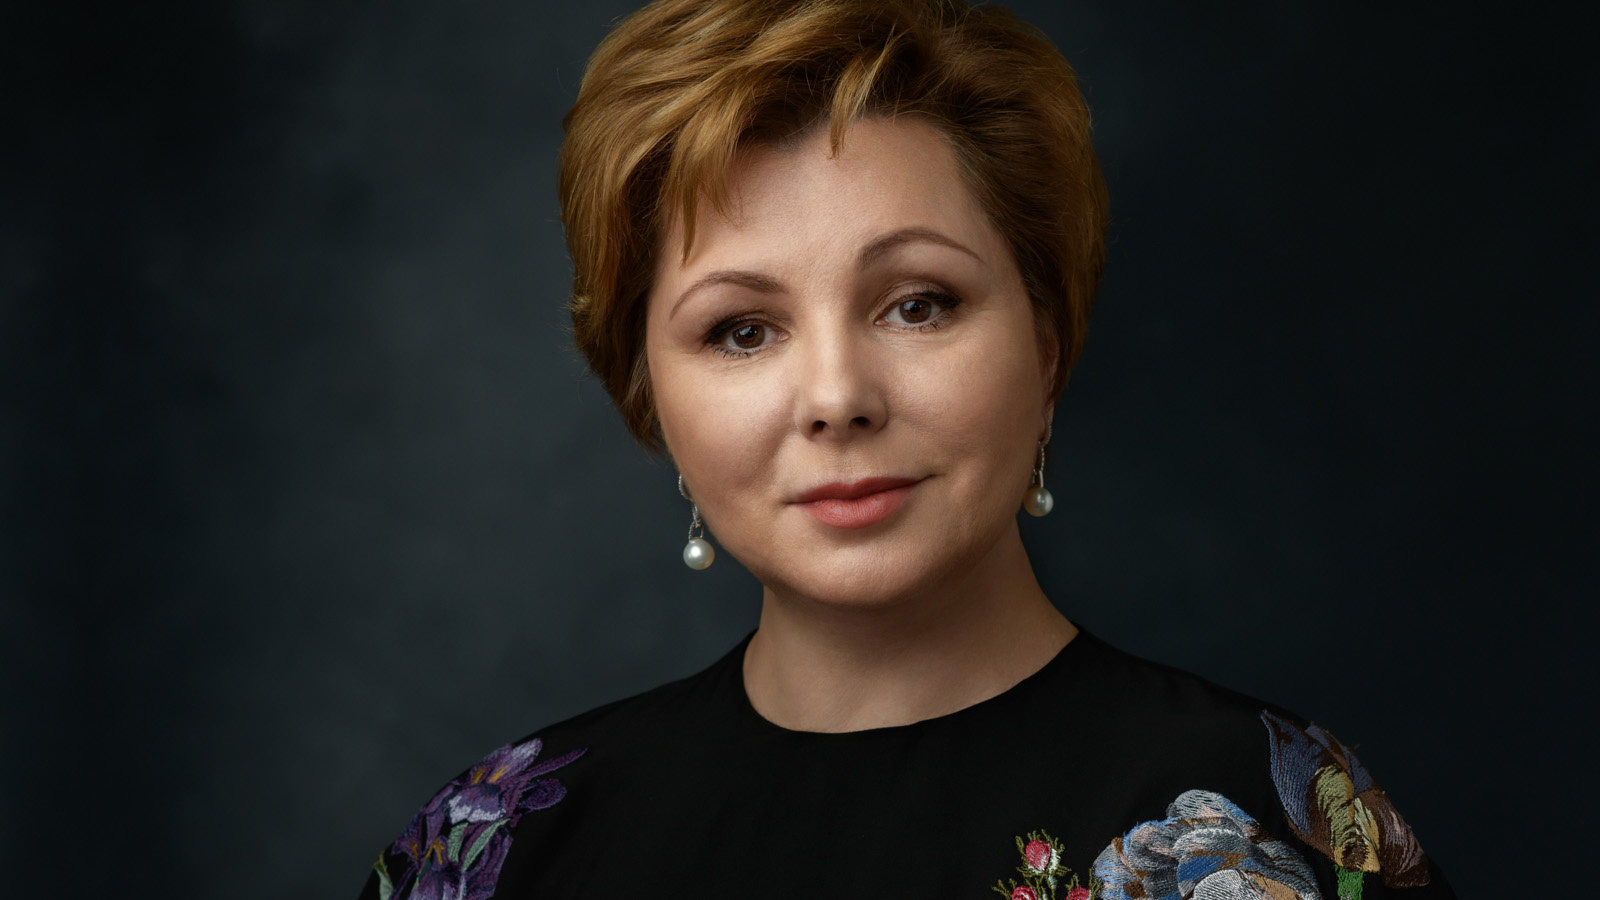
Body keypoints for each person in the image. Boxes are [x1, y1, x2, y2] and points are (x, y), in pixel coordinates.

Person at [358, 0, 1454, 897]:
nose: (837, 398)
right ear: (648, 398)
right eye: (741, 330)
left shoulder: (1268, 821)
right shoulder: (499, 845)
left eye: (918, 304)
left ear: (1046, 349)